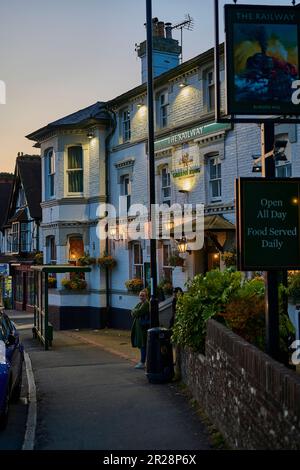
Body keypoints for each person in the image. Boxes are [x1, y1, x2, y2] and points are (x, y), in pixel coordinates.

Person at [130, 290, 150, 369]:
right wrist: (134, 311)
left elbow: (137, 312)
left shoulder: (146, 304)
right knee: (141, 345)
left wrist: (135, 312)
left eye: (143, 295)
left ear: (146, 296)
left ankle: (142, 362)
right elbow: (132, 312)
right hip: (139, 328)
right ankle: (143, 361)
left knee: (143, 345)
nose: (141, 297)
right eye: (140, 295)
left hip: (143, 328)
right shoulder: (139, 304)